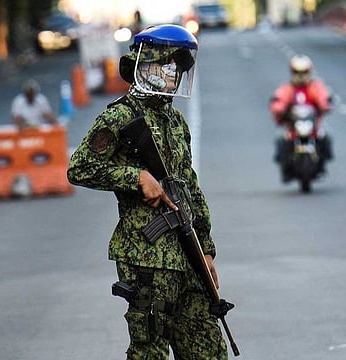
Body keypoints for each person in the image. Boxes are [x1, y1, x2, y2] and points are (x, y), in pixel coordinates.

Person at [67, 25, 228, 359]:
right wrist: (135, 176)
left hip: (187, 255)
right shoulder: (120, 117)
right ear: (146, 64)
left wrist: (206, 250)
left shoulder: (174, 122)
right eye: (166, 62)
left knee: (209, 349)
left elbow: (190, 189)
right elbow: (79, 168)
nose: (173, 71)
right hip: (145, 257)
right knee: (149, 351)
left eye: (179, 65)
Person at [269, 54, 333, 177]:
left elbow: (323, 98)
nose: (301, 75)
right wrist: (279, 109)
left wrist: (325, 105)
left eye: (304, 72)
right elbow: (278, 101)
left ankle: (322, 162)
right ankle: (286, 167)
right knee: (282, 140)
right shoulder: (287, 88)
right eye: (297, 72)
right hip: (294, 125)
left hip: (311, 125)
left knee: (324, 137)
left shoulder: (315, 87)